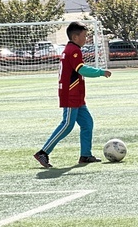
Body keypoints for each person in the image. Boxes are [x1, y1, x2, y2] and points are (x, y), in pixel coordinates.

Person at [33, 22, 112, 168]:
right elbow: (81, 70)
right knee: (67, 125)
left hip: (76, 94)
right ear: (75, 37)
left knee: (87, 123)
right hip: (71, 94)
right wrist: (100, 72)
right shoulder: (73, 50)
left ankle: (85, 155)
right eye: (84, 36)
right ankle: (43, 152)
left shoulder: (71, 48)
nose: (86, 39)